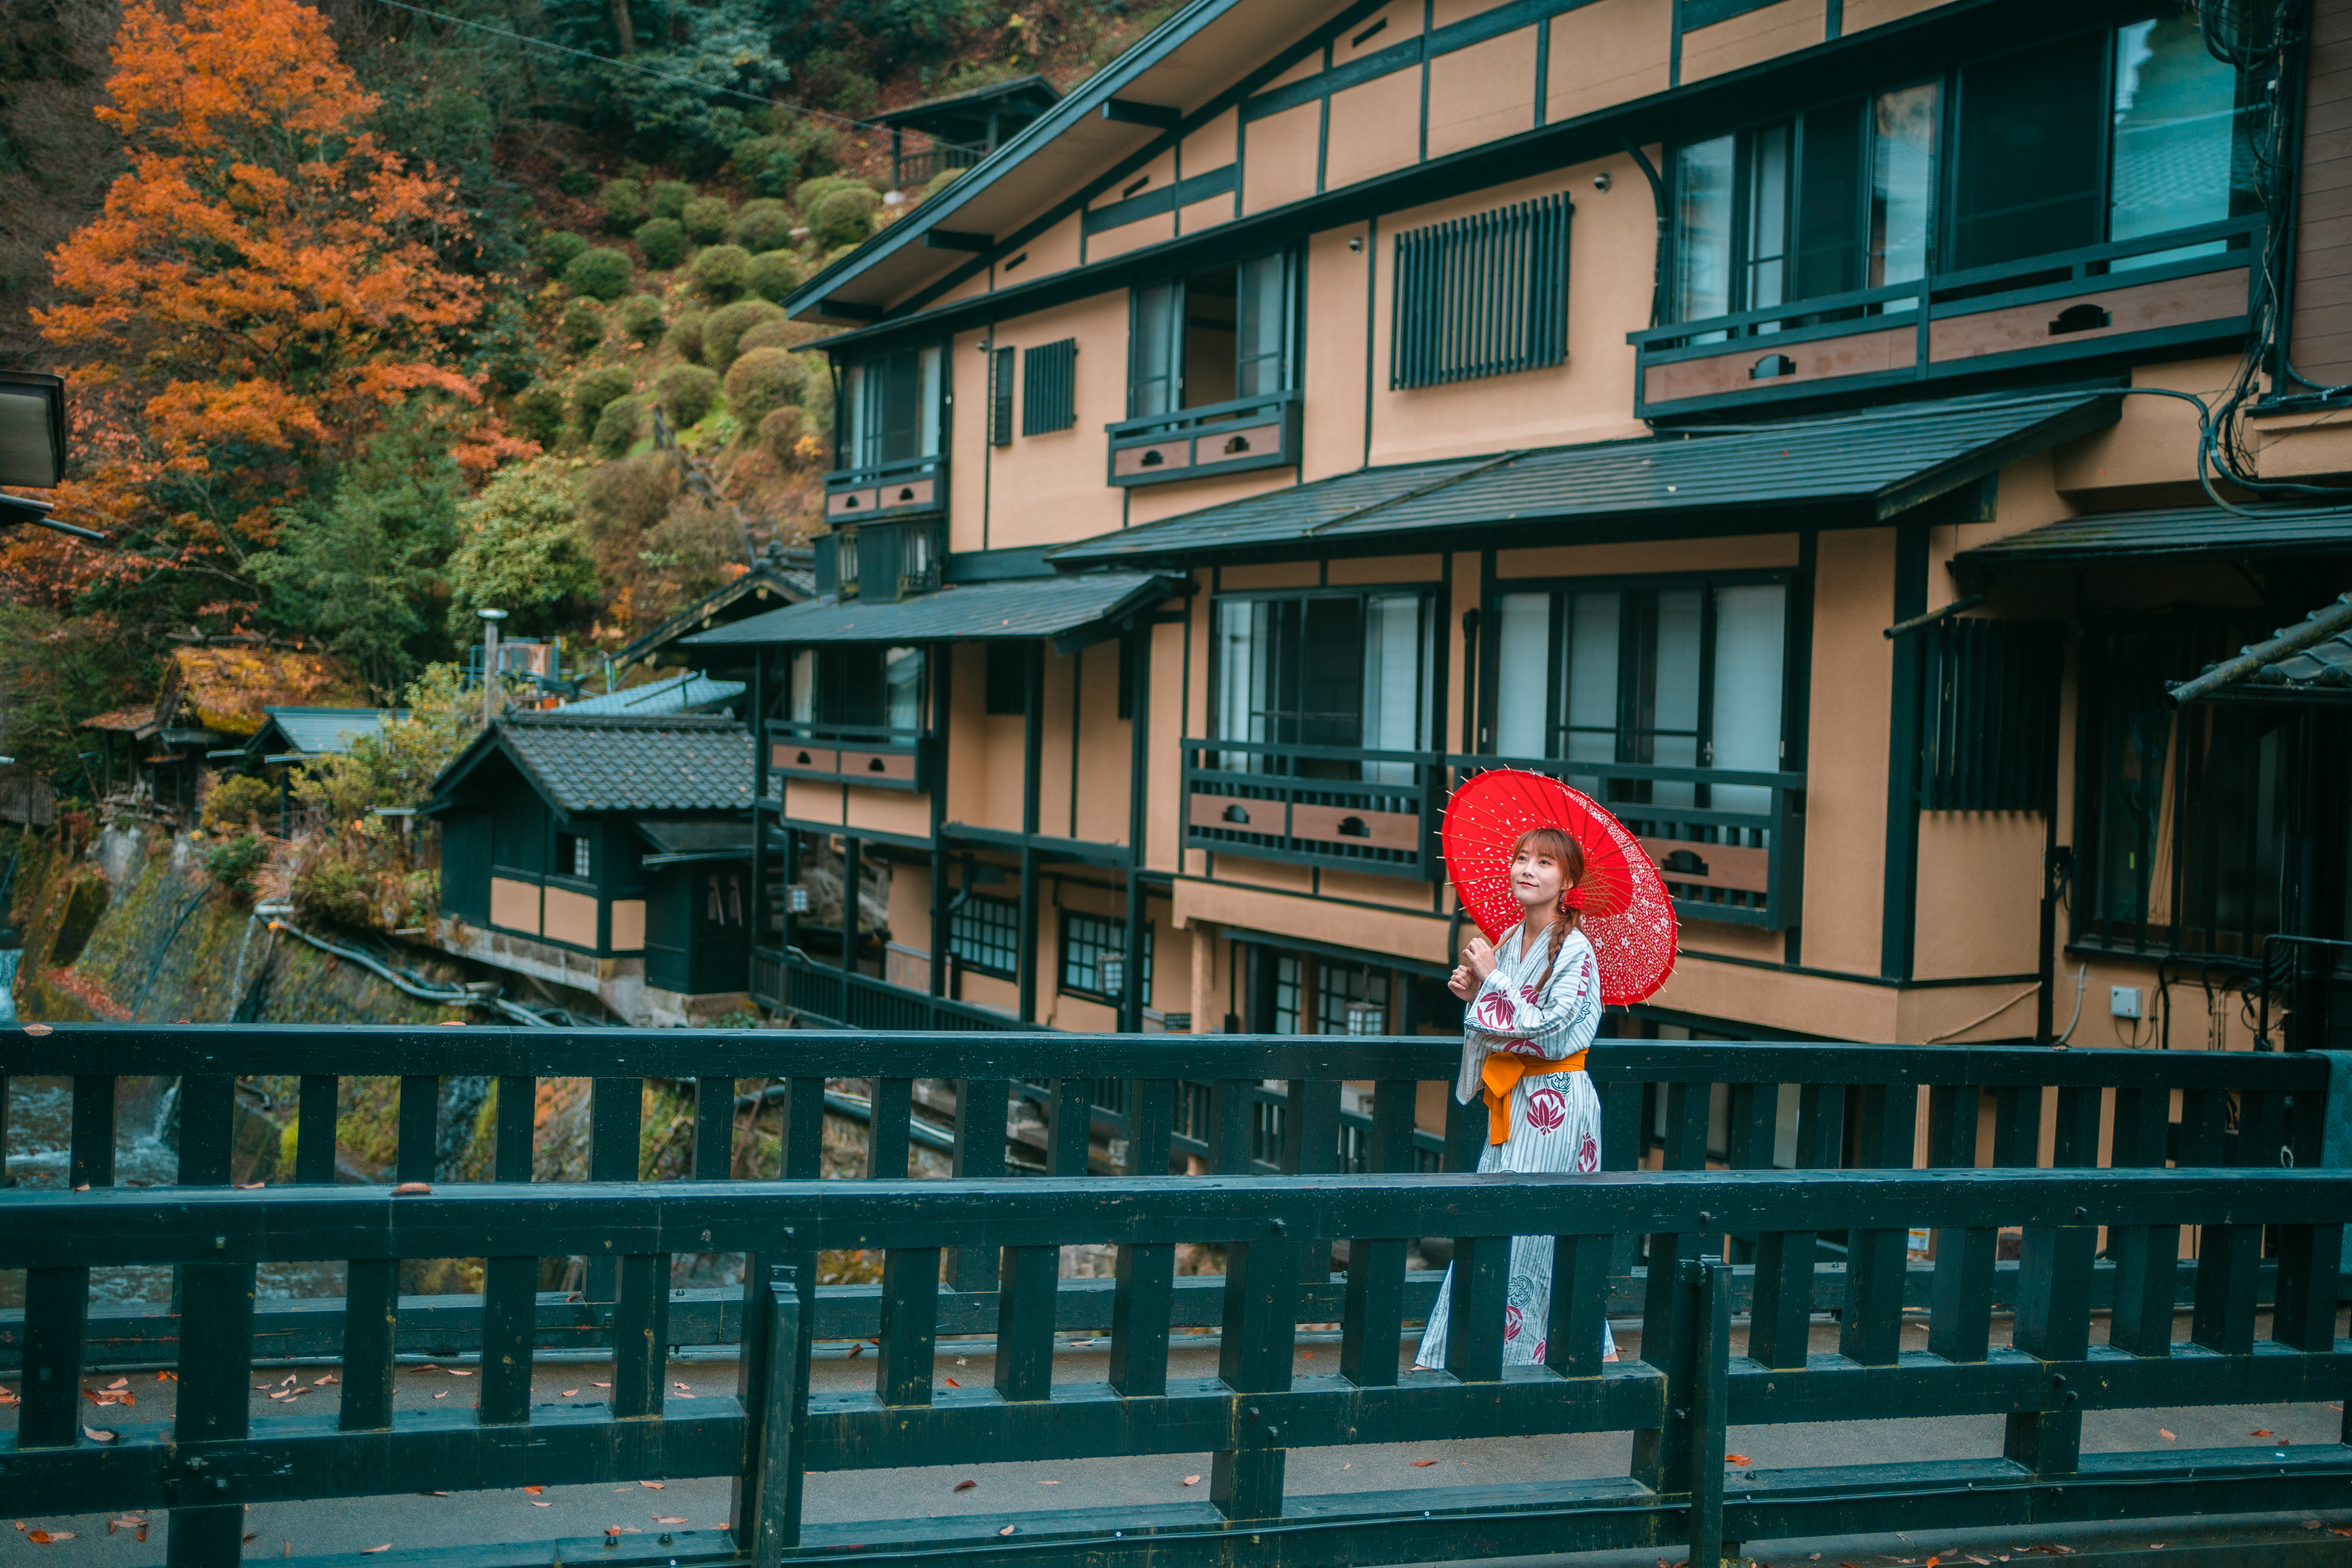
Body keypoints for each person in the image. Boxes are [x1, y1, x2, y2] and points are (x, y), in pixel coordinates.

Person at [1414, 823, 1617, 1370]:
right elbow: (1503, 1019)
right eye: (1522, 857)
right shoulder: (1510, 938)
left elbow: (1550, 1029)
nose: (1527, 869)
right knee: (1511, 1216)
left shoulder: (1577, 950)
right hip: (1518, 1097)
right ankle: (1564, 1343)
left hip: (1557, 1101)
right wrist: (1476, 990)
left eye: (1545, 862)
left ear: (1567, 881)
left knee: (1525, 1220)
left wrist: (1493, 983)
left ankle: (1486, 1352)